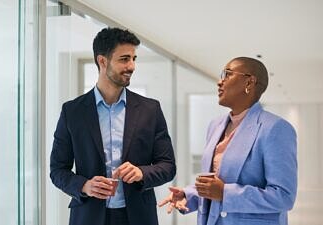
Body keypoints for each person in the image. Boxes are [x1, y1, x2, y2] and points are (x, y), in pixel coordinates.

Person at [50, 27, 176, 225]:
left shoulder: (150, 109)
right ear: (102, 61)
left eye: (134, 58)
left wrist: (141, 173)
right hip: (88, 217)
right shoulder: (72, 112)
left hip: (138, 217)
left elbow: (168, 166)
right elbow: (57, 170)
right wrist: (84, 186)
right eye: (124, 59)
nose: (132, 66)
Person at [158, 57, 297, 225]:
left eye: (228, 74)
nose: (219, 82)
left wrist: (225, 193)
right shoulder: (215, 125)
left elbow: (283, 196)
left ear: (249, 82)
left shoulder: (275, 128)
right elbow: (217, 181)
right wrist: (189, 195)